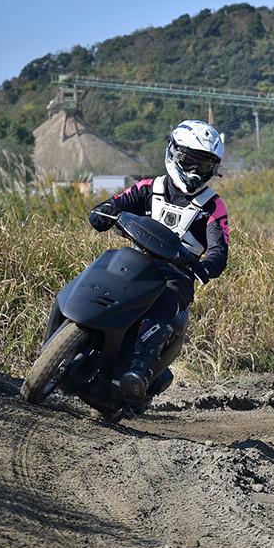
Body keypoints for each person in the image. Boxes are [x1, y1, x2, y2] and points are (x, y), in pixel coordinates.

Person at [89, 119, 229, 407]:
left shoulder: (213, 206)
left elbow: (219, 248)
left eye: (204, 166)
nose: (195, 171)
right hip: (136, 259)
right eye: (189, 161)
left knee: (164, 303)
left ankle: (139, 370)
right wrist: (104, 211)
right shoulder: (148, 187)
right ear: (173, 153)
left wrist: (207, 266)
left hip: (177, 275)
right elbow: (117, 203)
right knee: (98, 275)